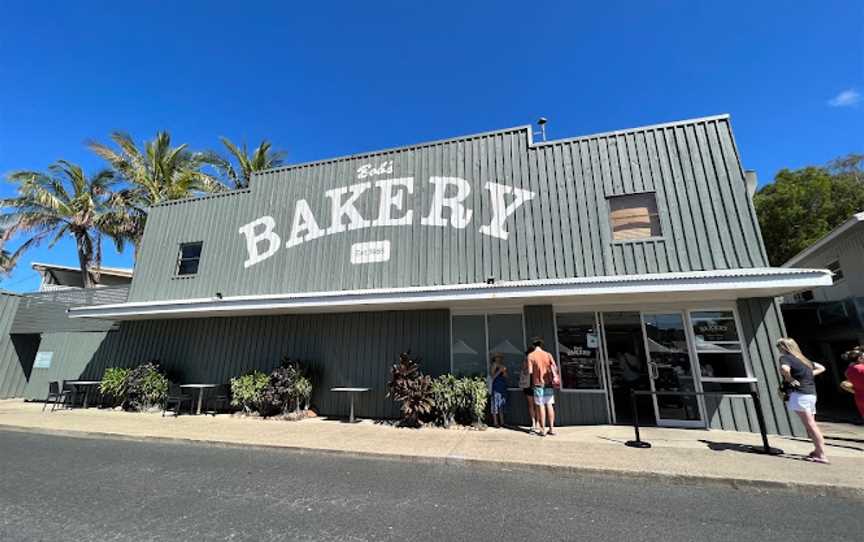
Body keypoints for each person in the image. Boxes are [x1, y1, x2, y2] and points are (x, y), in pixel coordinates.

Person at [776, 338, 828, 464]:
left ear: (784, 347)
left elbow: (784, 369)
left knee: (811, 425)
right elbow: (822, 367)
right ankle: (817, 451)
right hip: (811, 394)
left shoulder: (785, 358)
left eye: (779, 346)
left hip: (799, 395)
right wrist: (808, 375)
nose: (778, 349)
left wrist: (790, 379)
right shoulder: (804, 360)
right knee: (811, 425)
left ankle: (821, 454)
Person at [527, 337, 558, 436]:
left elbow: (530, 371)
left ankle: (542, 429)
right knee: (549, 404)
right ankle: (552, 428)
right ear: (541, 345)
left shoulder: (531, 356)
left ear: (533, 345)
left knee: (540, 405)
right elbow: (555, 367)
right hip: (548, 383)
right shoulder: (548, 354)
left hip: (538, 384)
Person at [841, 346, 864, 421]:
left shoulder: (848, 371)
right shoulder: (861, 368)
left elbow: (845, 384)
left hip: (859, 398)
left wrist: (855, 392)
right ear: (860, 358)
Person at [519, 350, 537, 433]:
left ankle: (535, 422)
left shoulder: (528, 361)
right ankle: (535, 422)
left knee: (533, 405)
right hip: (530, 384)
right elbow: (524, 372)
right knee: (534, 405)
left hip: (532, 384)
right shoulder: (527, 361)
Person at [489, 353, 508, 428]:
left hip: (502, 387)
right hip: (496, 387)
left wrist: (503, 371)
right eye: (497, 357)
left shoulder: (502, 366)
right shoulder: (494, 365)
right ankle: (495, 422)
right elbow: (492, 376)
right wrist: (499, 371)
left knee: (501, 405)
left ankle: (502, 421)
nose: (499, 359)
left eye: (500, 357)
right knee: (495, 405)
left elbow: (506, 376)